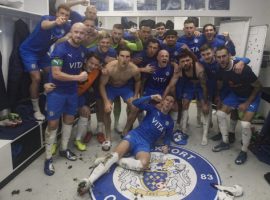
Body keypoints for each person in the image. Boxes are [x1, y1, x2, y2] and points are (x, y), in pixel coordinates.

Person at [77, 94, 175, 195]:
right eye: (167, 100)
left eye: (171, 101)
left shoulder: (169, 122)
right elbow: (135, 103)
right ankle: (89, 180)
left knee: (143, 165)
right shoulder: (153, 109)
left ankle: (113, 161)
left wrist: (166, 145)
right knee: (114, 155)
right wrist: (151, 97)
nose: (168, 102)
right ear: (162, 101)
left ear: (172, 106)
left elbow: (168, 137)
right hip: (134, 136)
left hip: (145, 144)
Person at [44, 22, 88, 176]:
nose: (78, 35)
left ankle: (63, 149)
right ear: (71, 32)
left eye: (81, 33)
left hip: (72, 92)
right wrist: (78, 77)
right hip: (56, 92)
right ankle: (48, 158)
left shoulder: (82, 50)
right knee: (53, 124)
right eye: (76, 32)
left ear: (85, 35)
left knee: (69, 120)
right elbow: (56, 73)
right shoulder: (60, 49)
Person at [20, 4, 71, 120]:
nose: (63, 16)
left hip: (43, 53)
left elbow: (67, 36)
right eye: (61, 13)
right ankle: (36, 109)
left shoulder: (67, 26)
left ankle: (47, 98)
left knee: (54, 74)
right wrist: (55, 23)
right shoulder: (47, 18)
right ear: (57, 14)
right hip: (29, 51)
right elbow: (44, 25)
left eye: (66, 15)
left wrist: (69, 36)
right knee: (36, 78)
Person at [212, 46, 262, 165]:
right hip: (236, 94)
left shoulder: (243, 69)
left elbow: (258, 86)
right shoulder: (219, 68)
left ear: (230, 55)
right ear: (216, 58)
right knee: (220, 113)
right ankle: (225, 142)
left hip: (251, 95)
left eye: (224, 56)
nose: (222, 59)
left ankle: (243, 151)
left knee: (245, 124)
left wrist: (246, 103)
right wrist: (218, 96)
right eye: (219, 57)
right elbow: (219, 83)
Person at [99, 47, 141, 151]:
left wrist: (135, 95)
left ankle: (125, 131)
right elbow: (101, 85)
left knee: (135, 107)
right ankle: (108, 137)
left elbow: (138, 81)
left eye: (127, 57)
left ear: (130, 58)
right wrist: (105, 102)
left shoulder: (134, 69)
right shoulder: (110, 68)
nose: (124, 59)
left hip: (125, 88)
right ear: (117, 57)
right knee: (107, 109)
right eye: (122, 56)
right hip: (110, 88)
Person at [165, 50, 210, 145]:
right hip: (190, 84)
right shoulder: (179, 71)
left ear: (191, 60)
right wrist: (162, 97)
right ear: (179, 63)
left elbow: (204, 87)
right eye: (183, 61)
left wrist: (205, 103)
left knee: (205, 108)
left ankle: (205, 134)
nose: (186, 63)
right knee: (184, 103)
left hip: (202, 86)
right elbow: (170, 85)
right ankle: (183, 129)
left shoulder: (198, 68)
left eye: (187, 60)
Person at [74, 52, 102, 151]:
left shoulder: (97, 72)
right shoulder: (76, 67)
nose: (93, 66)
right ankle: (54, 142)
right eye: (91, 63)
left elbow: (95, 88)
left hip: (81, 95)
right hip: (67, 93)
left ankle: (78, 139)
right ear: (85, 61)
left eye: (96, 64)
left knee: (86, 110)